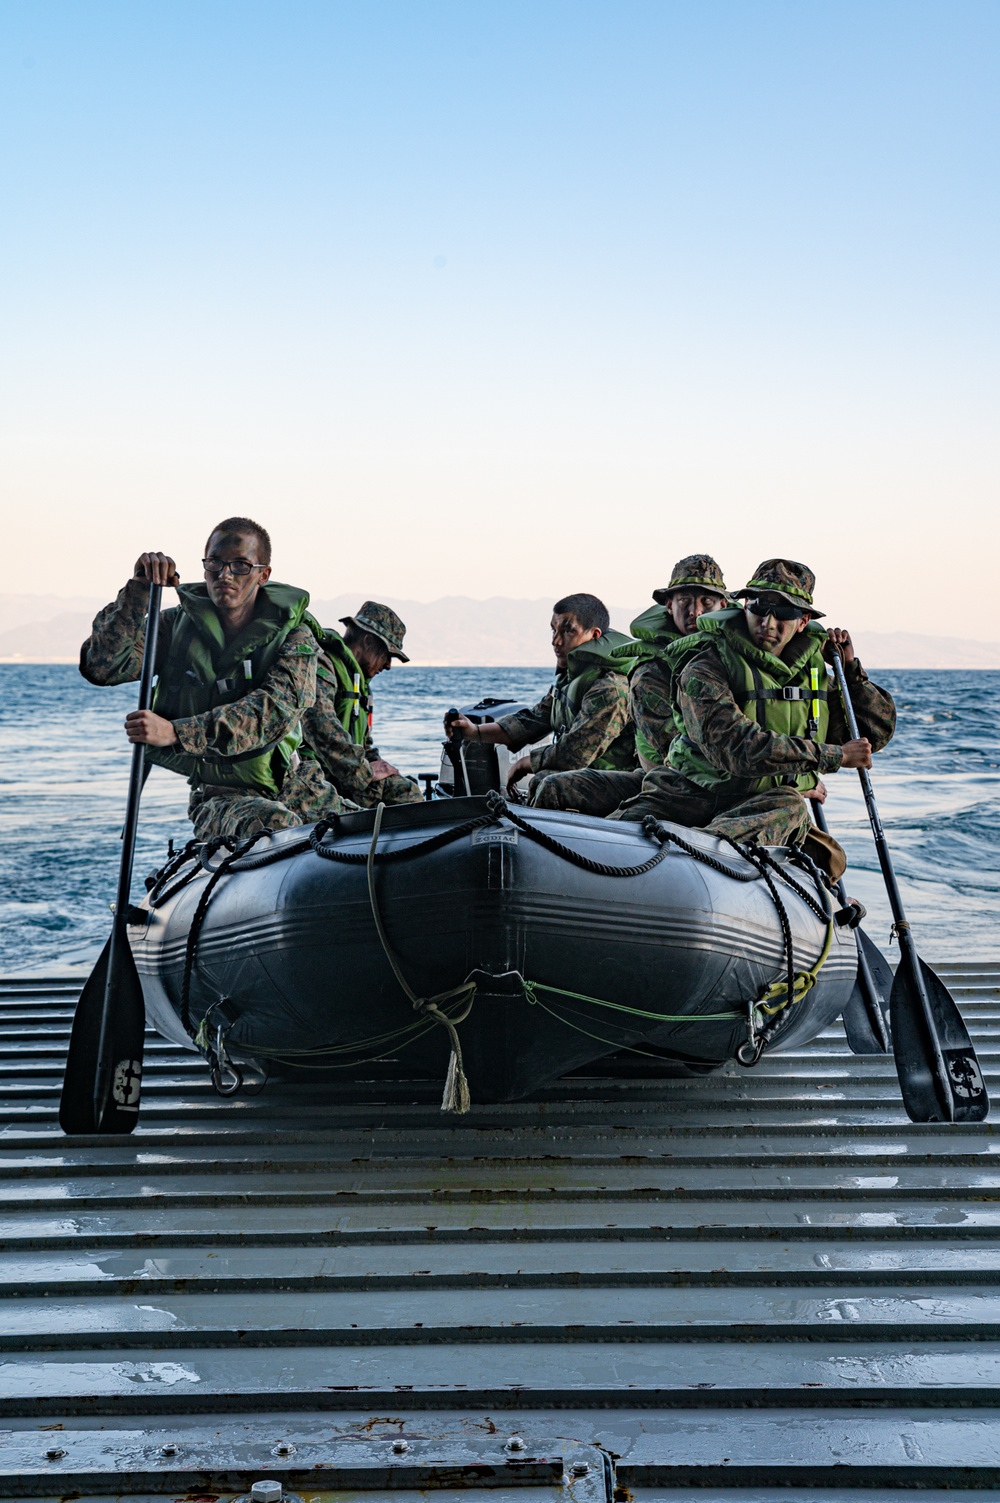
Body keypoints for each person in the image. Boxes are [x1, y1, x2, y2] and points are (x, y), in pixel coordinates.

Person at [609, 559, 896, 874]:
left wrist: (852, 673)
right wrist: (833, 756)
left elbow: (875, 733)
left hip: (760, 803)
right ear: (743, 607)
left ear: (803, 621)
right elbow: (734, 747)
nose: (768, 623)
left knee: (791, 807)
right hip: (690, 792)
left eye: (784, 613)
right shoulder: (704, 668)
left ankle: (690, 860)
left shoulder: (812, 678)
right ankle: (676, 859)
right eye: (759, 608)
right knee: (608, 838)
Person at [80, 517, 351, 841]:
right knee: (279, 831)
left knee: (371, 831)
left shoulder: (293, 635)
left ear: (263, 574)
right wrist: (138, 590)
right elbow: (102, 666)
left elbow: (272, 712)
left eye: (240, 565)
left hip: (299, 784)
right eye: (215, 564)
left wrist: (175, 733)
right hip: (220, 796)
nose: (225, 575)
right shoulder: (175, 629)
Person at [529, 555, 729, 815]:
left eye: (707, 601)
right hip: (666, 782)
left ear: (723, 605)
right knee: (552, 787)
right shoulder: (650, 673)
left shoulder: (735, 661)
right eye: (685, 601)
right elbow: (673, 754)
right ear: (669, 605)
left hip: (727, 787)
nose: (695, 611)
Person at [443, 593, 637, 801]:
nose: (556, 641)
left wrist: (525, 763)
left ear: (594, 635)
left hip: (622, 783)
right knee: (542, 780)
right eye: (554, 631)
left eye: (567, 631)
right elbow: (531, 721)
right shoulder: (571, 681)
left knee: (549, 784)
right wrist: (474, 731)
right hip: (587, 778)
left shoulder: (611, 688)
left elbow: (574, 755)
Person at [296, 602, 423, 807]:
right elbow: (319, 727)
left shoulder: (360, 687)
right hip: (312, 776)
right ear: (368, 642)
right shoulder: (322, 667)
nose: (389, 665)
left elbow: (363, 745)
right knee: (405, 796)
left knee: (407, 790)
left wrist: (383, 768)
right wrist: (364, 772)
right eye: (387, 655)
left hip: (346, 776)